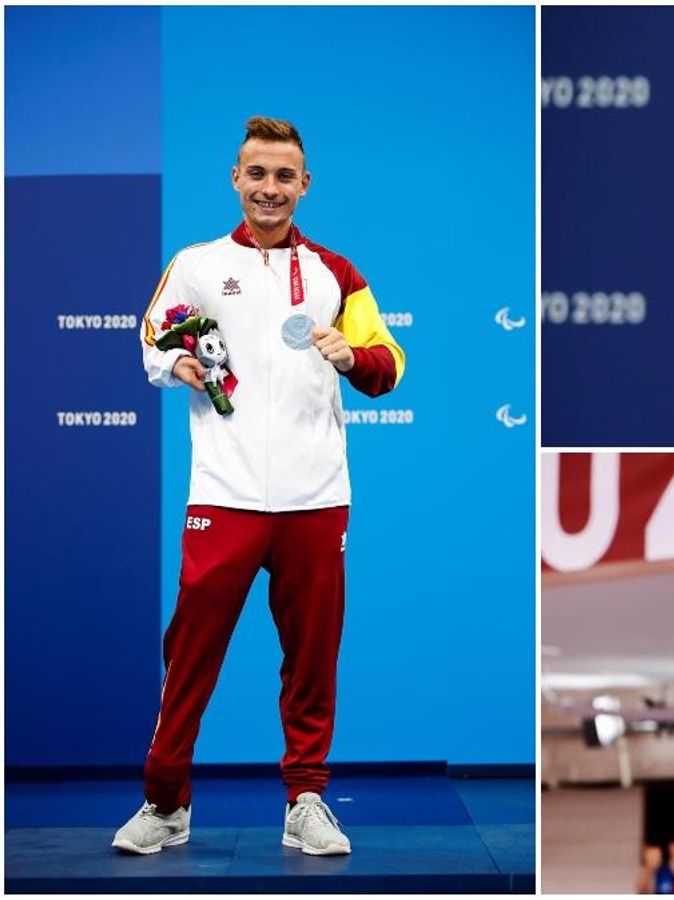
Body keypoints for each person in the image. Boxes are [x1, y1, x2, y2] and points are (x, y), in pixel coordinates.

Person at [115, 115, 405, 856]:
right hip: (223, 494)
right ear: (235, 179)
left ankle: (306, 800)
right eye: (256, 174)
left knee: (312, 657)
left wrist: (352, 356)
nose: (269, 188)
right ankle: (165, 803)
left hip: (316, 499)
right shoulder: (196, 264)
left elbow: (389, 364)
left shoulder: (338, 273)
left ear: (304, 185)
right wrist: (175, 364)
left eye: (283, 176)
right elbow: (152, 336)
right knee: (190, 654)